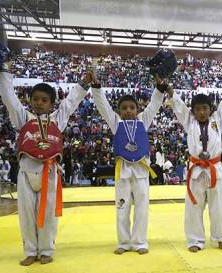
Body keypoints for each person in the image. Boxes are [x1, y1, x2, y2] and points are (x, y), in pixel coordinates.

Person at [0, 62, 90, 265]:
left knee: (48, 214)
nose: (39, 103)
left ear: (51, 103)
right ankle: (30, 250)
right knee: (26, 214)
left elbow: (71, 101)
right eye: (35, 99)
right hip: (26, 170)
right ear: (30, 100)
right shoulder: (23, 118)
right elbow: (9, 99)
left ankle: (47, 249)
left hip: (49, 171)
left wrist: (84, 83)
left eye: (44, 100)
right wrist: (4, 72)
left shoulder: (58, 118)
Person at [91, 69, 165, 255]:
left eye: (132, 108)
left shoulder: (143, 121)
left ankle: (139, 242)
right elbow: (103, 107)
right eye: (124, 108)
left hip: (140, 170)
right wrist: (97, 88)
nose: (128, 111)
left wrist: (160, 89)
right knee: (122, 206)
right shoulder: (116, 123)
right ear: (119, 111)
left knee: (142, 207)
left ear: (137, 109)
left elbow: (154, 105)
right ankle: (123, 242)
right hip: (122, 170)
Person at [167, 75, 222, 253]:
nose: (202, 112)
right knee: (194, 206)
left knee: (218, 206)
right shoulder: (189, 121)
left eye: (205, 109)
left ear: (211, 109)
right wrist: (168, 88)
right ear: (193, 111)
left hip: (214, 168)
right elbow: (177, 103)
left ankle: (220, 238)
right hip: (196, 169)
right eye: (198, 109)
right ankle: (195, 240)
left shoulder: (218, 119)